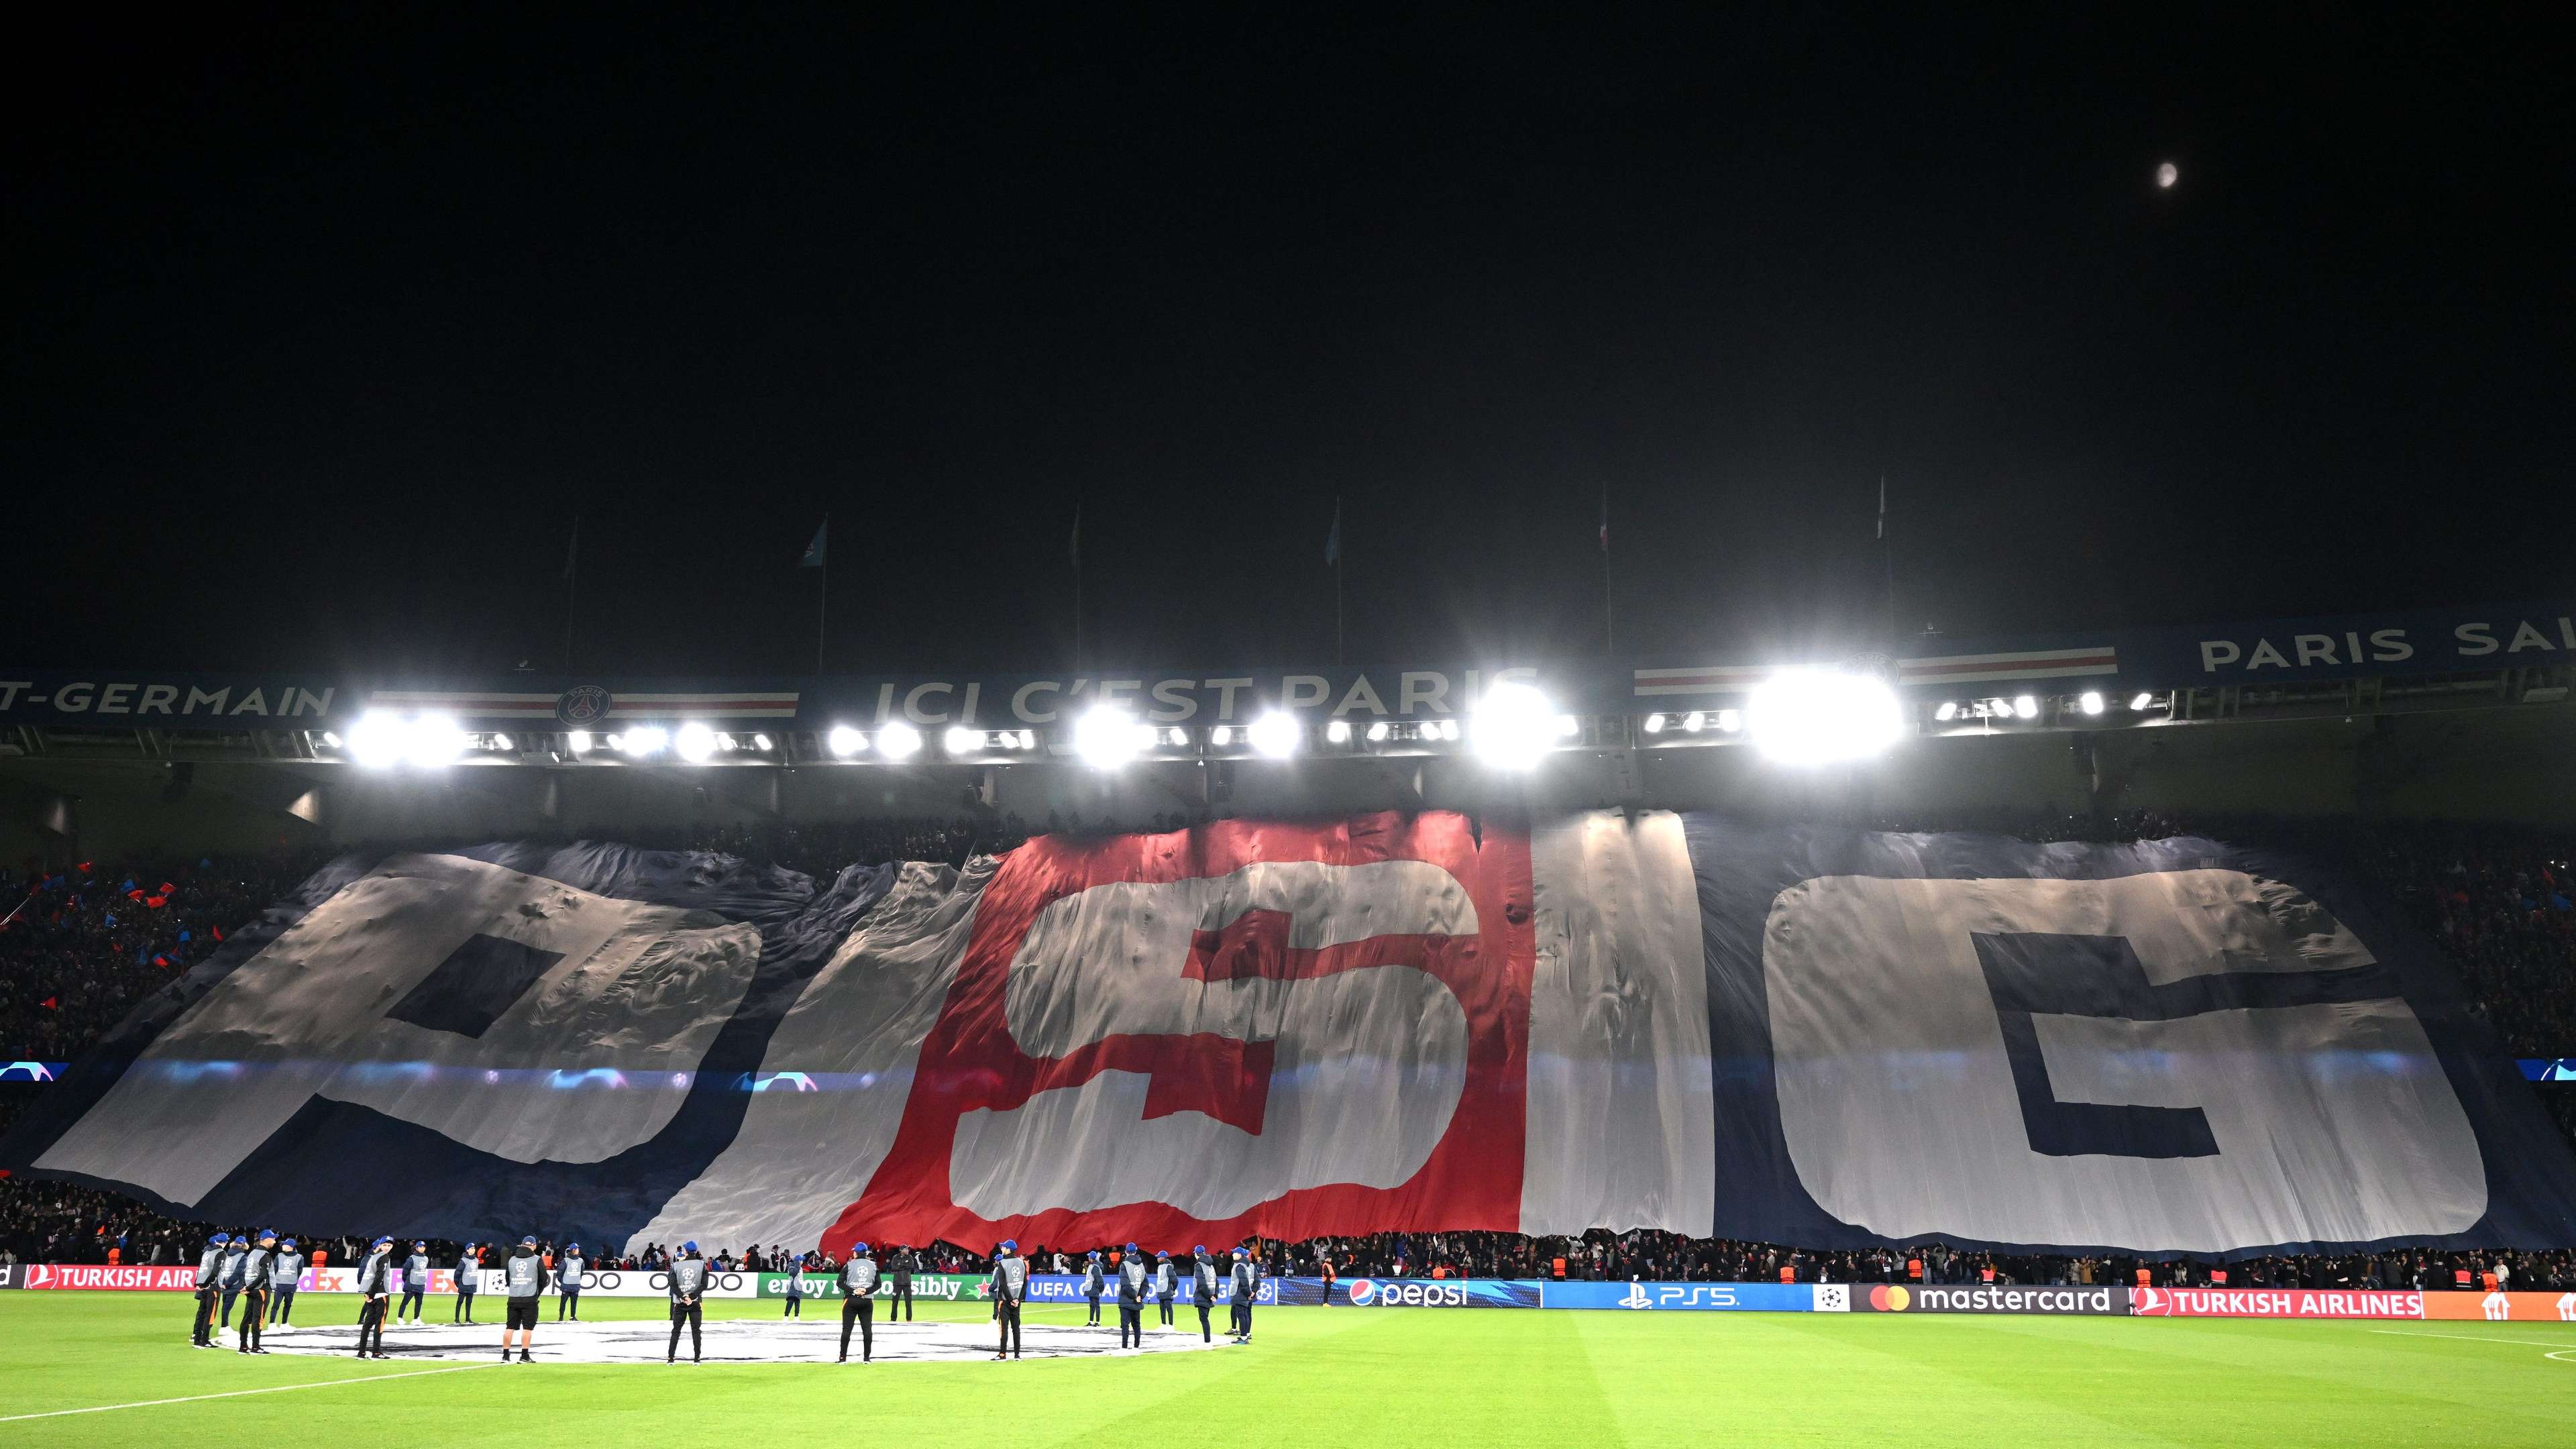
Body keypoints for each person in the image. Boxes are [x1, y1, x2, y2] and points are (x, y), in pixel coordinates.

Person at [502, 1236, 545, 1363]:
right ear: (534, 1246)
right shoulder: (537, 1259)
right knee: (528, 1328)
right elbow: (543, 1279)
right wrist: (537, 1293)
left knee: (509, 1327)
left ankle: (505, 1356)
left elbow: (508, 1278)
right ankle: (524, 1355)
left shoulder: (512, 1260)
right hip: (529, 1298)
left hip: (514, 1297)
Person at [666, 1241, 710, 1364]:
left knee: (676, 1331)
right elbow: (704, 1285)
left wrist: (683, 1297)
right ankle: (697, 1359)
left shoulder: (676, 1265)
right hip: (695, 1302)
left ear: (685, 1251)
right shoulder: (702, 1265)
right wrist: (692, 1296)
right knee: (696, 1331)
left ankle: (671, 1359)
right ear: (696, 1251)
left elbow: (672, 1284)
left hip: (680, 1303)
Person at [353, 1236, 394, 1360]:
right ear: (380, 1245)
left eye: (389, 1245)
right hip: (380, 1294)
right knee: (379, 1324)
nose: (387, 1248)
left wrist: (367, 1293)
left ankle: (362, 1352)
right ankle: (376, 1352)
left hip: (371, 1294)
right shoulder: (384, 1257)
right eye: (385, 1245)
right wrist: (371, 1294)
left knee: (367, 1324)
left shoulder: (372, 1258)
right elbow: (379, 1276)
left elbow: (367, 1277)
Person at [235, 1230, 277, 1354]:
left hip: (251, 1289)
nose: (274, 1241)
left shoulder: (252, 1253)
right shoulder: (265, 1255)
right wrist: (248, 1288)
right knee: (258, 1319)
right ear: (266, 1239)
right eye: (273, 1239)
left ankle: (243, 1346)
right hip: (261, 1289)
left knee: (246, 1318)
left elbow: (246, 1272)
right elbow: (263, 1276)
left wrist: (246, 1287)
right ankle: (256, 1347)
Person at [987, 1239, 1028, 1360]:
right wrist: (1018, 1300)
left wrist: (1010, 1299)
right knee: (1016, 1328)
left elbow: (1003, 1285)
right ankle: (1017, 1355)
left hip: (1005, 1301)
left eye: (1004, 1247)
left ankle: (1002, 1354)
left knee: (1003, 1328)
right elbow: (1025, 1283)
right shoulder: (1021, 1262)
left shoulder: (1002, 1263)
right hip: (1017, 1302)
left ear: (1008, 1249)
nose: (1002, 1249)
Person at [838, 1242, 878, 1363]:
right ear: (866, 1253)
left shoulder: (849, 1265)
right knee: (867, 1330)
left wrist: (853, 1290)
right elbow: (878, 1284)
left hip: (851, 1300)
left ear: (856, 1253)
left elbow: (839, 1283)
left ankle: (842, 1358)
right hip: (867, 1300)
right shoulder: (874, 1265)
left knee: (846, 1330)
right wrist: (866, 1290)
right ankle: (867, 1358)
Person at [190, 1232, 229, 1348]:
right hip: (213, 1286)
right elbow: (215, 1272)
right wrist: (207, 1284)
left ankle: (197, 1339)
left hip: (203, 1286)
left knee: (201, 1312)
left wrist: (198, 1284)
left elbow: (201, 1269)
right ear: (225, 1242)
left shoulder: (207, 1253)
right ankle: (205, 1340)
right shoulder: (222, 1253)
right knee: (210, 1313)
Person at [1116, 1242, 1148, 1348]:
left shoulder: (1124, 1265)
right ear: (1136, 1252)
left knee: (1125, 1326)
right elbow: (1145, 1284)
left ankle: (1124, 1348)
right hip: (1137, 1301)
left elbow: (1125, 1285)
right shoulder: (1141, 1265)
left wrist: (1134, 1295)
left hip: (1126, 1300)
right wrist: (1140, 1296)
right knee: (1137, 1326)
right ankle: (1136, 1348)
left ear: (1126, 1252)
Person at [217, 1232, 250, 1328]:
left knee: (225, 1306)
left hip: (224, 1281)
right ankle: (224, 1327)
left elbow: (221, 1268)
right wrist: (228, 1284)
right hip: (233, 1284)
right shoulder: (243, 1257)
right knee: (228, 1306)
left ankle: (225, 1325)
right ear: (244, 1245)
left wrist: (223, 1283)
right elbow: (238, 1272)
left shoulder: (227, 1253)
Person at [268, 1237, 303, 1326]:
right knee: (278, 1305)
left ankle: (283, 1323)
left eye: (284, 1244)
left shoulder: (298, 1257)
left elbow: (299, 1271)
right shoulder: (280, 1256)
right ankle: (273, 1324)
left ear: (290, 1246)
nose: (282, 1246)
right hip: (284, 1284)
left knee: (284, 1305)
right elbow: (298, 1272)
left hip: (285, 1284)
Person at [1230, 1247, 1258, 1342]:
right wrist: (1250, 1293)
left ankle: (1243, 1337)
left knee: (1241, 1315)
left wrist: (1249, 1293)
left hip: (1239, 1294)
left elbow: (1243, 1281)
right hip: (1243, 1294)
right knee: (1245, 1315)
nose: (1233, 1254)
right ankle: (1245, 1335)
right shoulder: (1244, 1265)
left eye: (1235, 1253)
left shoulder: (1239, 1266)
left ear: (1239, 1255)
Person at [1191, 1246, 1219, 1343]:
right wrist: (1215, 1294)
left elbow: (1201, 1282)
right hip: (1210, 1294)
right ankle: (1207, 1340)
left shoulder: (1199, 1265)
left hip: (1203, 1296)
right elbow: (1216, 1280)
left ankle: (1207, 1341)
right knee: (1205, 1318)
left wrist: (1209, 1295)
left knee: (1204, 1319)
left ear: (1196, 1254)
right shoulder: (1211, 1265)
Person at [398, 1240, 430, 1326]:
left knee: (419, 1303)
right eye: (420, 1247)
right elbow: (405, 1271)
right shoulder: (412, 1259)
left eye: (424, 1247)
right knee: (405, 1302)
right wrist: (406, 1281)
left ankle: (416, 1319)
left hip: (421, 1284)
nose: (422, 1248)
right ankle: (400, 1318)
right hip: (412, 1284)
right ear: (416, 1248)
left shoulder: (426, 1258)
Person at [556, 1242, 585, 1321]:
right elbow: (560, 1273)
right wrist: (563, 1281)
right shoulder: (566, 1260)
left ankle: (572, 1317)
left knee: (573, 1303)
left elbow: (581, 1272)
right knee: (563, 1303)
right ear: (574, 1250)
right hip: (568, 1285)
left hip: (574, 1285)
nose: (578, 1250)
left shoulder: (581, 1260)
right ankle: (561, 1317)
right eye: (577, 1249)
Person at [886, 1244, 914, 1322]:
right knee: (895, 1302)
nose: (907, 1250)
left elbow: (911, 1266)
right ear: (901, 1250)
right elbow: (894, 1267)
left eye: (908, 1249)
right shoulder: (895, 1258)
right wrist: (904, 1266)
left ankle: (909, 1319)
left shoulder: (910, 1257)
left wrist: (900, 1266)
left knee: (908, 1302)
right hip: (897, 1283)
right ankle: (893, 1319)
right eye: (906, 1249)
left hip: (907, 1284)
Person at [454, 1244, 480, 1324]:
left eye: (474, 1248)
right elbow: (457, 1273)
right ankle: (457, 1319)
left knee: (469, 1302)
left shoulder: (476, 1260)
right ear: (467, 1250)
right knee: (460, 1302)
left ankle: (468, 1319)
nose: (473, 1250)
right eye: (471, 1248)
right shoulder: (463, 1260)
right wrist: (458, 1284)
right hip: (464, 1284)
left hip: (472, 1284)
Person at [1082, 1249, 1106, 1327]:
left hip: (1094, 1288)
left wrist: (1101, 1289)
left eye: (1089, 1257)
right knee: (1092, 1305)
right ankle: (1091, 1321)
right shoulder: (1092, 1266)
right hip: (1091, 1288)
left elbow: (1099, 1279)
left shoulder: (1095, 1267)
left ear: (1091, 1258)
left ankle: (1098, 1322)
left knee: (1096, 1305)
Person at [1153, 1250, 1177, 1329]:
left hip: (1167, 1290)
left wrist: (1173, 1289)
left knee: (1168, 1308)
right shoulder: (1160, 1266)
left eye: (1158, 1257)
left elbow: (1174, 1280)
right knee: (1162, 1308)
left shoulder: (1168, 1267)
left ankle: (1171, 1325)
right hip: (1161, 1290)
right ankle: (1163, 1324)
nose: (1157, 1258)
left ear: (1163, 1258)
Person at [782, 1253, 805, 1319]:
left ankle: (796, 1316)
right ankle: (786, 1316)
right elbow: (793, 1273)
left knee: (797, 1302)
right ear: (798, 1261)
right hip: (793, 1287)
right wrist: (797, 1265)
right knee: (791, 1301)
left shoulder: (800, 1268)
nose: (802, 1262)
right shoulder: (791, 1266)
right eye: (801, 1260)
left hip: (799, 1287)